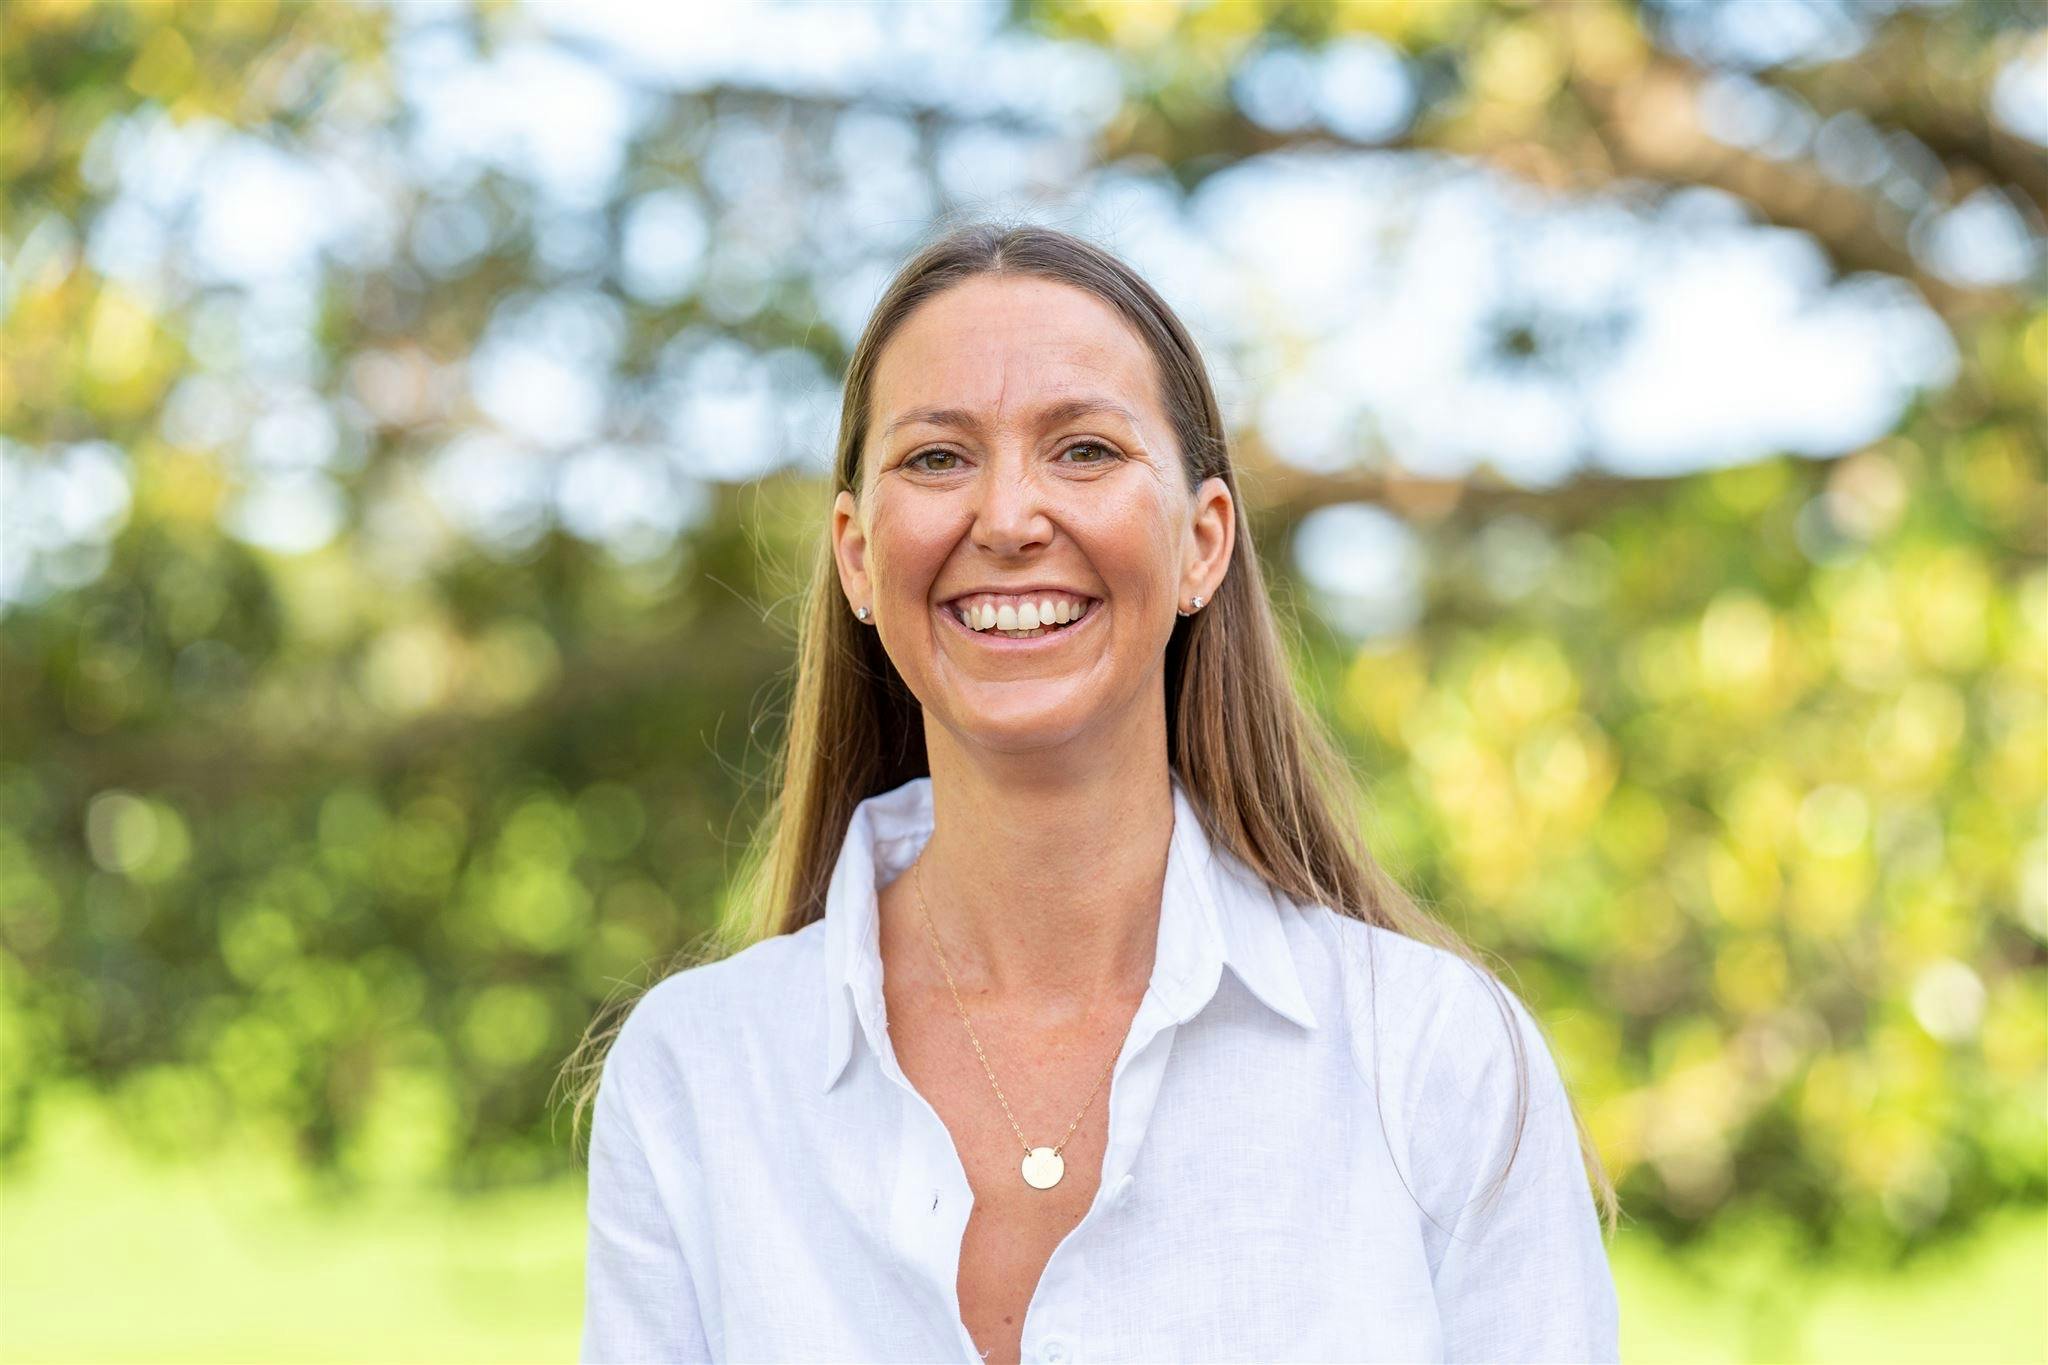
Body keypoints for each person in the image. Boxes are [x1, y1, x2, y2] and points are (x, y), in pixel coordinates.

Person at [568, 219, 1621, 1364]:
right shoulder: (697, 1077)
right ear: (858, 555)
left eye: (1082, 450)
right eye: (935, 457)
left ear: (1201, 544)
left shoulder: (1431, 1060)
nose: (1009, 518)